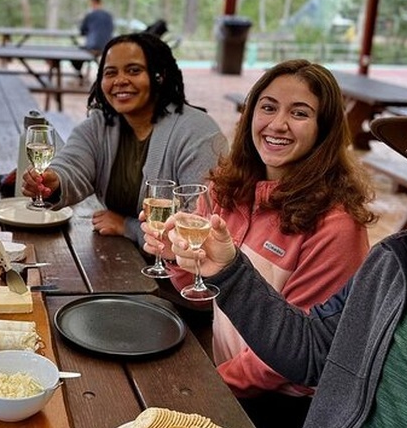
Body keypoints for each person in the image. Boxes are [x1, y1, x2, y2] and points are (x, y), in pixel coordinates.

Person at [153, 55, 407, 428]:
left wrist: (214, 382)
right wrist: (222, 270)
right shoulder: (393, 264)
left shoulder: (340, 224)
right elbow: (311, 351)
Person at [149, 59, 376, 428]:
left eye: (299, 113)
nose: (277, 124)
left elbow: (299, 352)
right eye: (268, 107)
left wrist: (214, 382)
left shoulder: (337, 225)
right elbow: (199, 291)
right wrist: (174, 256)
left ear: (325, 129)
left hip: (285, 404)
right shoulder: (226, 190)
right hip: (227, 375)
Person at [22, 32, 227, 245]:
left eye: (134, 70)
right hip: (120, 255)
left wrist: (127, 226)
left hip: (180, 270)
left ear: (159, 75)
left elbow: (201, 223)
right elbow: (73, 165)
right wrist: (53, 181)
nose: (120, 80)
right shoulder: (99, 125)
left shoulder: (198, 132)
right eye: (110, 73)